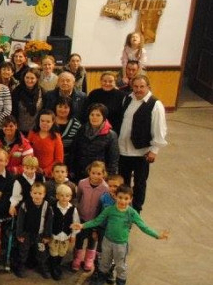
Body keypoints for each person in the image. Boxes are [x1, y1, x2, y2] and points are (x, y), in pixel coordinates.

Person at [73, 184, 169, 285]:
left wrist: (157, 235)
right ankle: (101, 279)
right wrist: (82, 225)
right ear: (115, 196)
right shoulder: (109, 210)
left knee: (120, 266)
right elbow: (97, 221)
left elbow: (143, 226)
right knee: (104, 262)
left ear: (131, 199)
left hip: (121, 245)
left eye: (126, 198)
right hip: (107, 241)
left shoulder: (132, 213)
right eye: (120, 197)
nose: (123, 201)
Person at [117, 75, 167, 212]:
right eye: (136, 86)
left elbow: (160, 129)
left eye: (142, 86)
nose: (138, 89)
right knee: (124, 183)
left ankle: (137, 210)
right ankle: (123, 209)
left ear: (148, 87)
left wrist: (154, 150)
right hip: (123, 150)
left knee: (139, 184)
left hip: (142, 152)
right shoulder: (127, 99)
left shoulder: (155, 104)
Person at [71, 160, 109, 272]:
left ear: (103, 174)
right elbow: (77, 198)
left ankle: (89, 259)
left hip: (95, 220)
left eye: (99, 173)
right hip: (81, 218)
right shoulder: (82, 183)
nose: (96, 176)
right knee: (79, 239)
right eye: (93, 173)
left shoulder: (105, 188)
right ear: (89, 172)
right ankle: (77, 258)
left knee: (92, 240)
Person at [12, 181, 52, 279]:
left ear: (44, 194)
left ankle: (43, 266)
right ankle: (20, 266)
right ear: (31, 193)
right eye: (35, 193)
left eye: (40, 193)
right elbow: (20, 220)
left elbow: (49, 222)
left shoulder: (47, 206)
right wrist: (19, 234)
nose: (37, 195)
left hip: (40, 235)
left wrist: (47, 235)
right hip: (27, 234)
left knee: (41, 252)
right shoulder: (25, 204)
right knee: (23, 251)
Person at [73, 103, 119, 178]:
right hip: (80, 173)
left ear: (104, 117)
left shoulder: (111, 135)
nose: (94, 117)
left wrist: (109, 176)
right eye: (92, 115)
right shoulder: (81, 130)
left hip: (99, 175)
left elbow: (113, 160)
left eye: (98, 115)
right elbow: (74, 151)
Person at [47, 183, 79, 280]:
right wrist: (47, 234)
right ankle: (53, 268)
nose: (64, 198)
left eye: (67, 196)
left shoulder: (73, 209)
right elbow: (48, 222)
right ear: (57, 196)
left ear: (70, 197)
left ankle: (57, 265)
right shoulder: (52, 207)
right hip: (54, 235)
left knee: (62, 252)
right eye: (62, 195)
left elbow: (76, 223)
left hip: (66, 236)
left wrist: (73, 235)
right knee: (53, 252)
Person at [27, 110, 64, 175]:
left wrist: (45, 171)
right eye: (42, 121)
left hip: (48, 174)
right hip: (31, 171)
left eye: (48, 121)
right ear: (38, 121)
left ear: (53, 122)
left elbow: (59, 160)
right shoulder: (32, 134)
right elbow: (27, 153)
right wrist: (33, 167)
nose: (44, 123)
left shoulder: (56, 137)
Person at [53, 96, 82, 174]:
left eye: (66, 107)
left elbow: (78, 147)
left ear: (70, 109)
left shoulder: (76, 125)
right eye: (60, 106)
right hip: (50, 161)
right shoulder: (49, 121)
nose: (62, 110)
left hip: (70, 163)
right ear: (55, 107)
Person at [11, 69, 43, 135]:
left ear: (37, 79)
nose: (29, 80)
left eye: (32, 78)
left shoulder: (42, 92)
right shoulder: (16, 91)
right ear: (24, 77)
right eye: (27, 77)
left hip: (37, 130)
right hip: (19, 130)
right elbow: (13, 111)